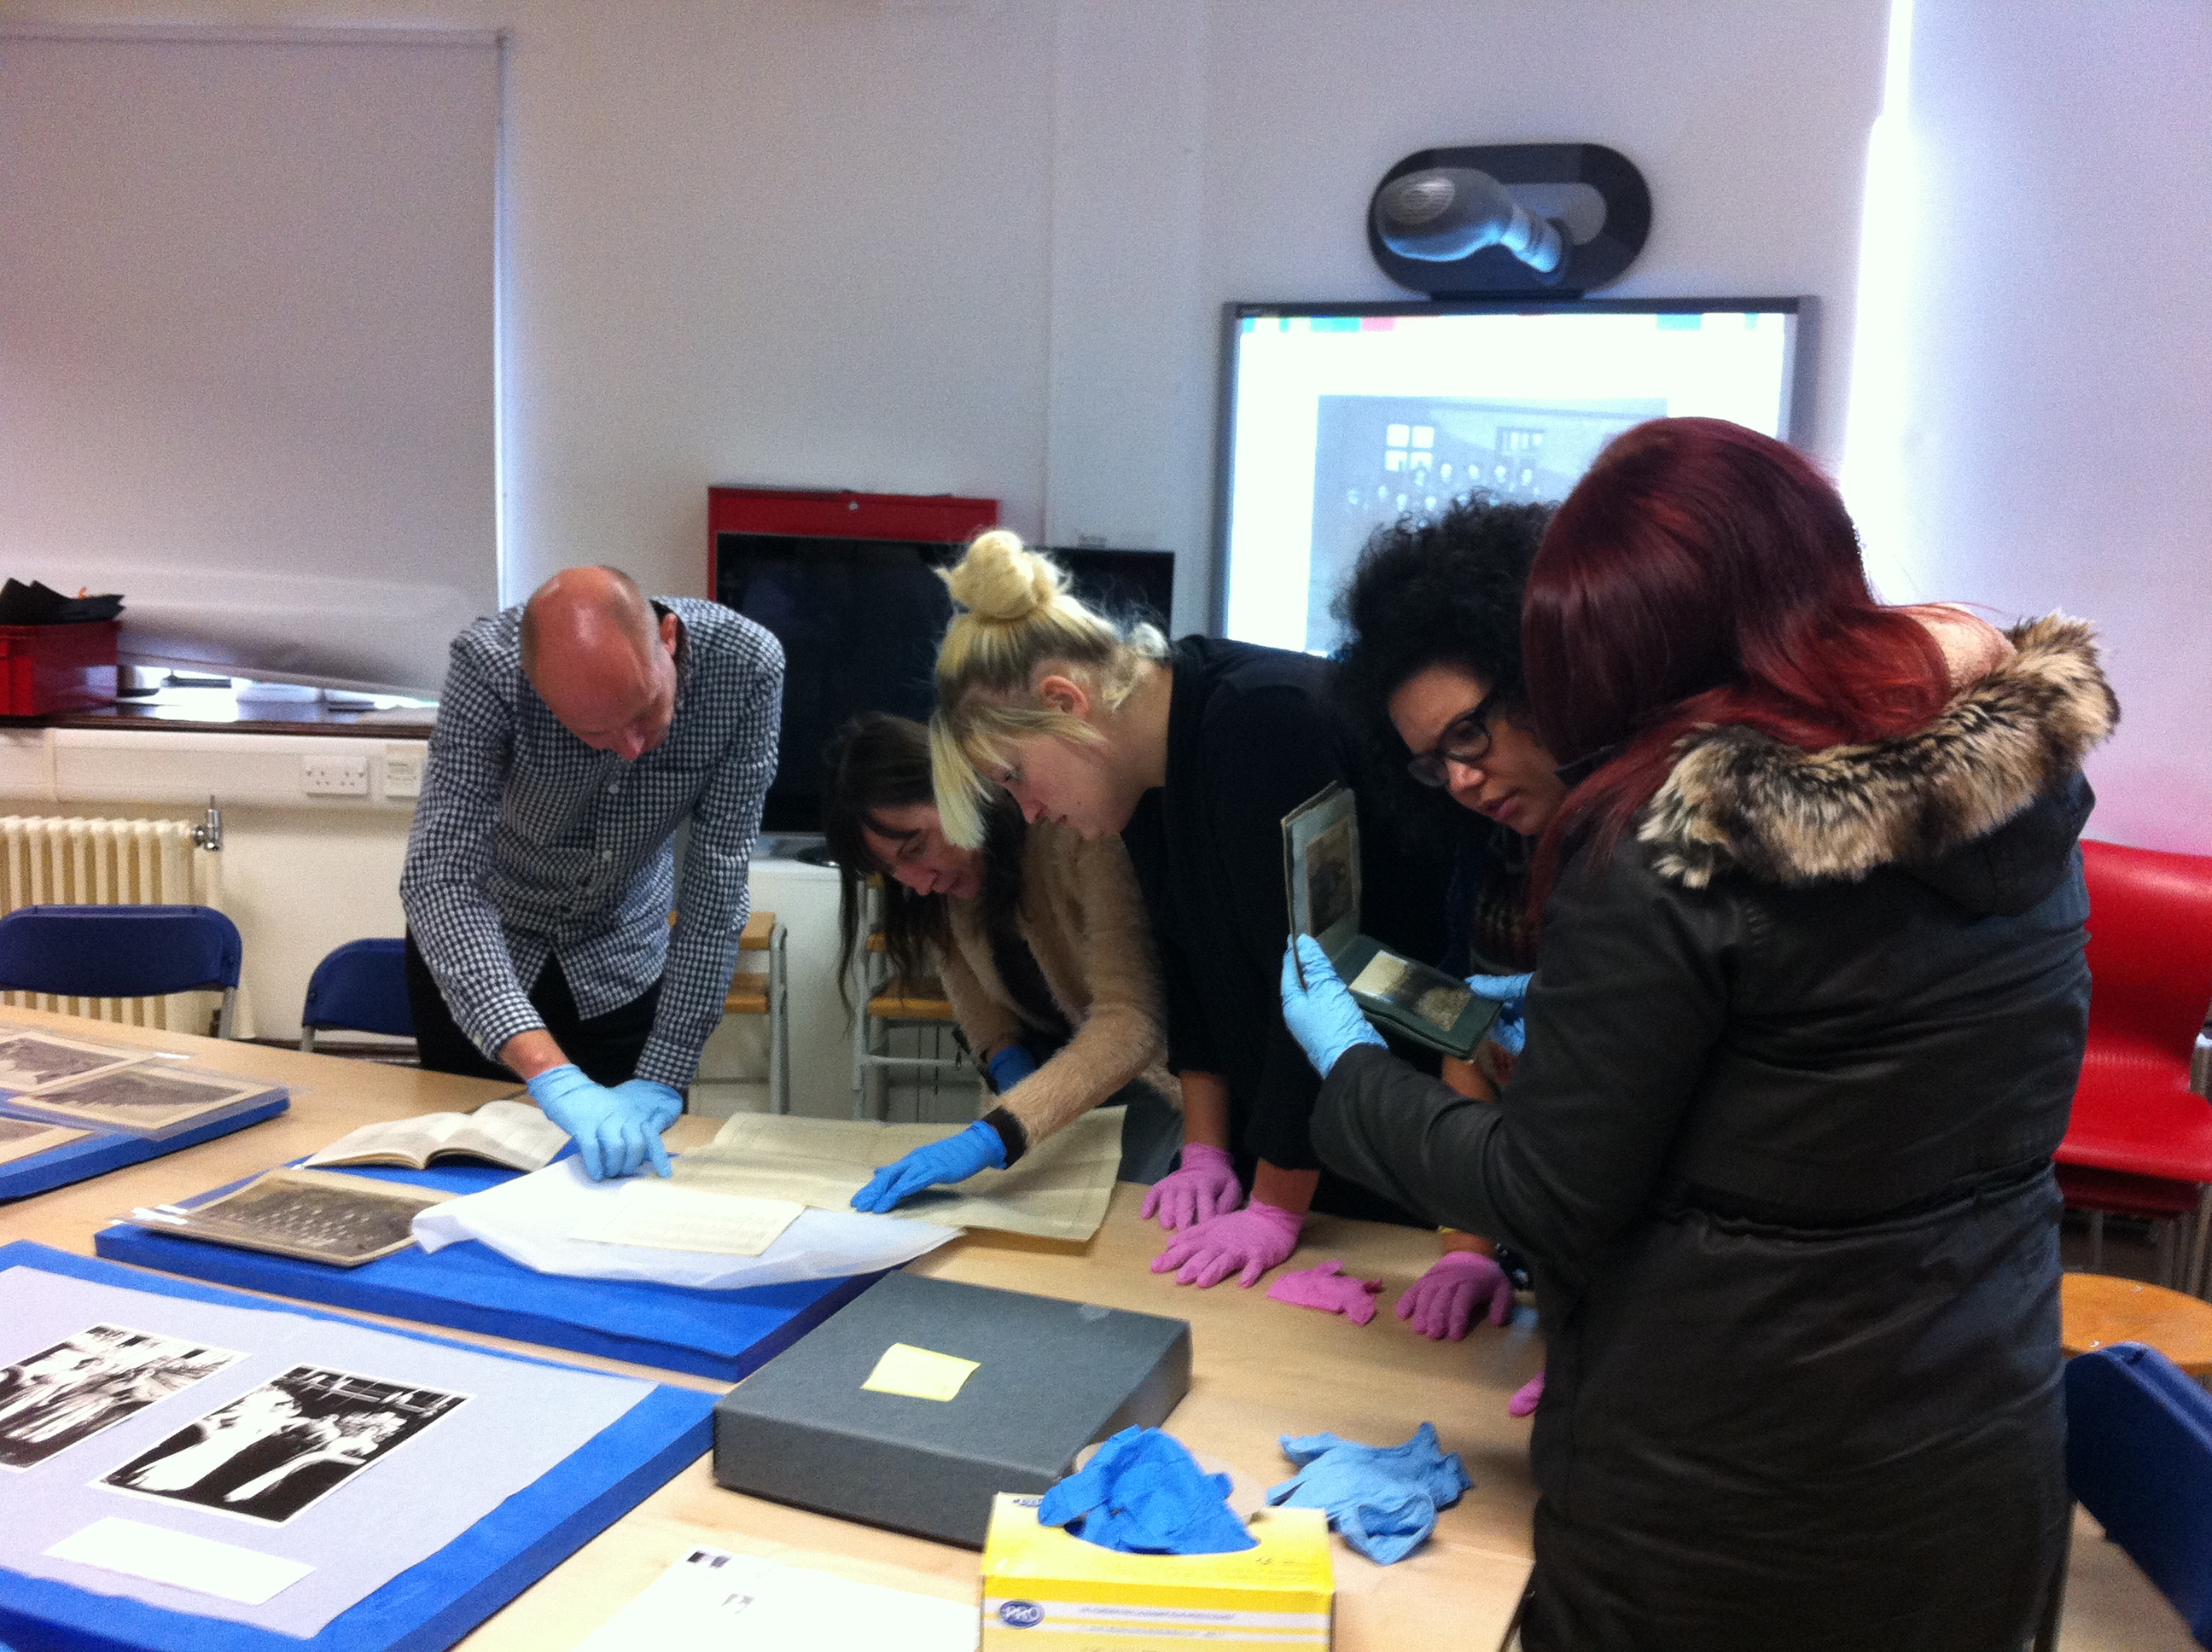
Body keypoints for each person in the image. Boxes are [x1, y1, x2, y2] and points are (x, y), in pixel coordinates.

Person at [1284, 416, 2116, 1650]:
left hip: (1737, 1505)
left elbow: (1545, 1193)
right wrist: (1601, 1017)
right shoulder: (2021, 796)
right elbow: (1836, 1074)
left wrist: (1352, 1070)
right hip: (1976, 1455)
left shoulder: (1669, 850)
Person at [928, 531, 1447, 1290]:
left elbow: (1317, 981)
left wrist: (1273, 1209)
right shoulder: (1141, 771)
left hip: (1400, 1128)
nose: (1029, 811)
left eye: (1014, 777)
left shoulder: (1264, 721)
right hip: (1297, 1140)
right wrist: (1206, 1150)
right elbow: (1189, 969)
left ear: (1066, 704)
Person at [401, 566, 783, 1180]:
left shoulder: (744, 667)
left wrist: (663, 1072)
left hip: (620, 958)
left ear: (668, 639)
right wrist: (552, 1075)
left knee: (626, 1183)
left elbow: (716, 883)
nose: (632, 748)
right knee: (470, 1180)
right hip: (487, 956)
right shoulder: (488, 668)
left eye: (646, 712)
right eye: (593, 732)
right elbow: (442, 879)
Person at [1330, 495, 1565, 1359]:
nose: (1462, 779)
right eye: (1434, 763)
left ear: (1542, 676)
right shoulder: (1492, 849)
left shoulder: (1644, 858)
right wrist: (1469, 1245)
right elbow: (1469, 1025)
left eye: (1469, 733)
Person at [821, 713, 1179, 1205]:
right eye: (892, 869)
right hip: (1044, 1095)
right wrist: (1006, 1061)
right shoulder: (940, 886)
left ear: (962, 790)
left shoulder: (1075, 832)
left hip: (1149, 1083)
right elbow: (982, 1012)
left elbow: (1132, 1020)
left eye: (917, 847)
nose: (918, 882)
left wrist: (993, 1136)